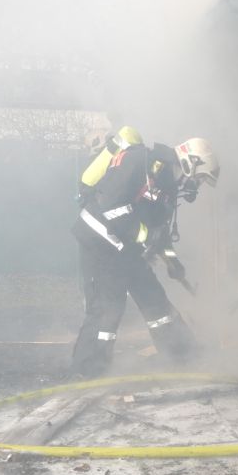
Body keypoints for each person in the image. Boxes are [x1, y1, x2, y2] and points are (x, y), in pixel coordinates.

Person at [70, 135, 219, 378]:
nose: (197, 185)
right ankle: (87, 371)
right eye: (200, 178)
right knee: (108, 306)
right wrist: (145, 236)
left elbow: (159, 233)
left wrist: (173, 262)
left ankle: (182, 356)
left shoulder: (167, 186)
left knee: (155, 299)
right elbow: (111, 207)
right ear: (191, 163)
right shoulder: (139, 161)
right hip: (101, 242)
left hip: (125, 247)